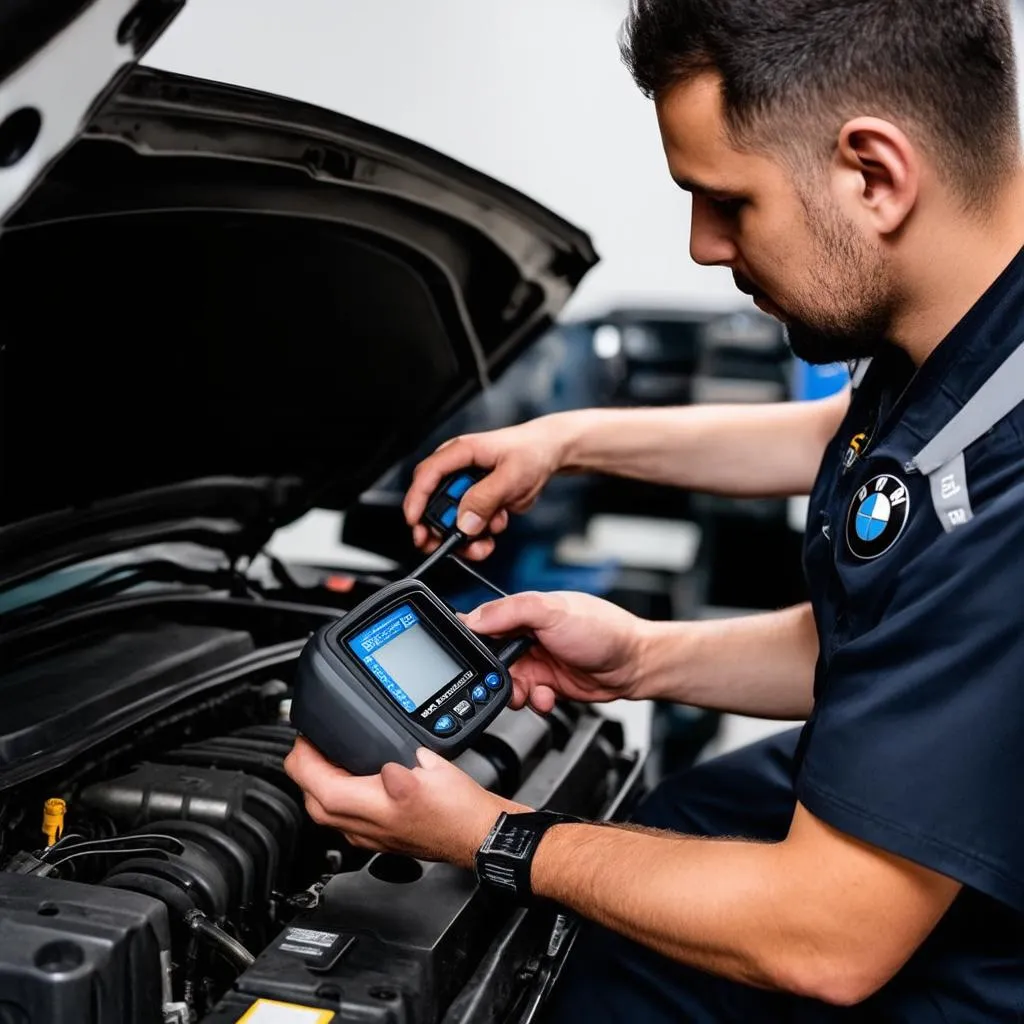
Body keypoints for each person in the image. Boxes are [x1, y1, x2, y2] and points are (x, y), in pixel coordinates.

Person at [284, 0, 1024, 1018]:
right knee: (680, 816)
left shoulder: (1007, 488)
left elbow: (826, 937)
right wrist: (637, 636)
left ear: (872, 174)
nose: (700, 245)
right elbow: (886, 557)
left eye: (726, 200)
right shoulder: (977, 326)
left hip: (960, 969)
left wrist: (489, 833)